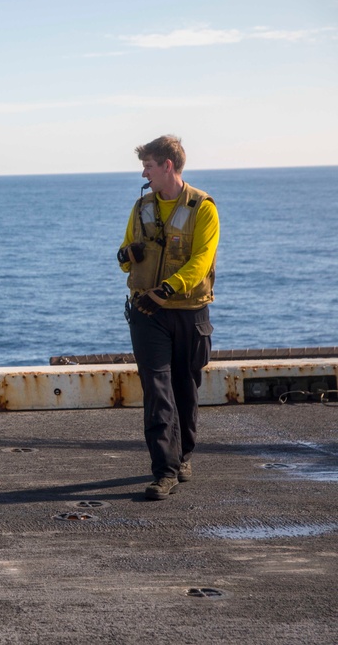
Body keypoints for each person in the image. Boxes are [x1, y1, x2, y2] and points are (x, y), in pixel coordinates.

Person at [117, 135, 219, 501]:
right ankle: (164, 470)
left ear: (167, 166)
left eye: (148, 166)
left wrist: (167, 290)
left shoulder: (203, 207)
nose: (144, 173)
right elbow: (124, 256)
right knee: (157, 392)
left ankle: (183, 455)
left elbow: (201, 261)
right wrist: (127, 253)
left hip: (189, 313)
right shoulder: (141, 206)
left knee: (185, 390)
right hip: (147, 313)